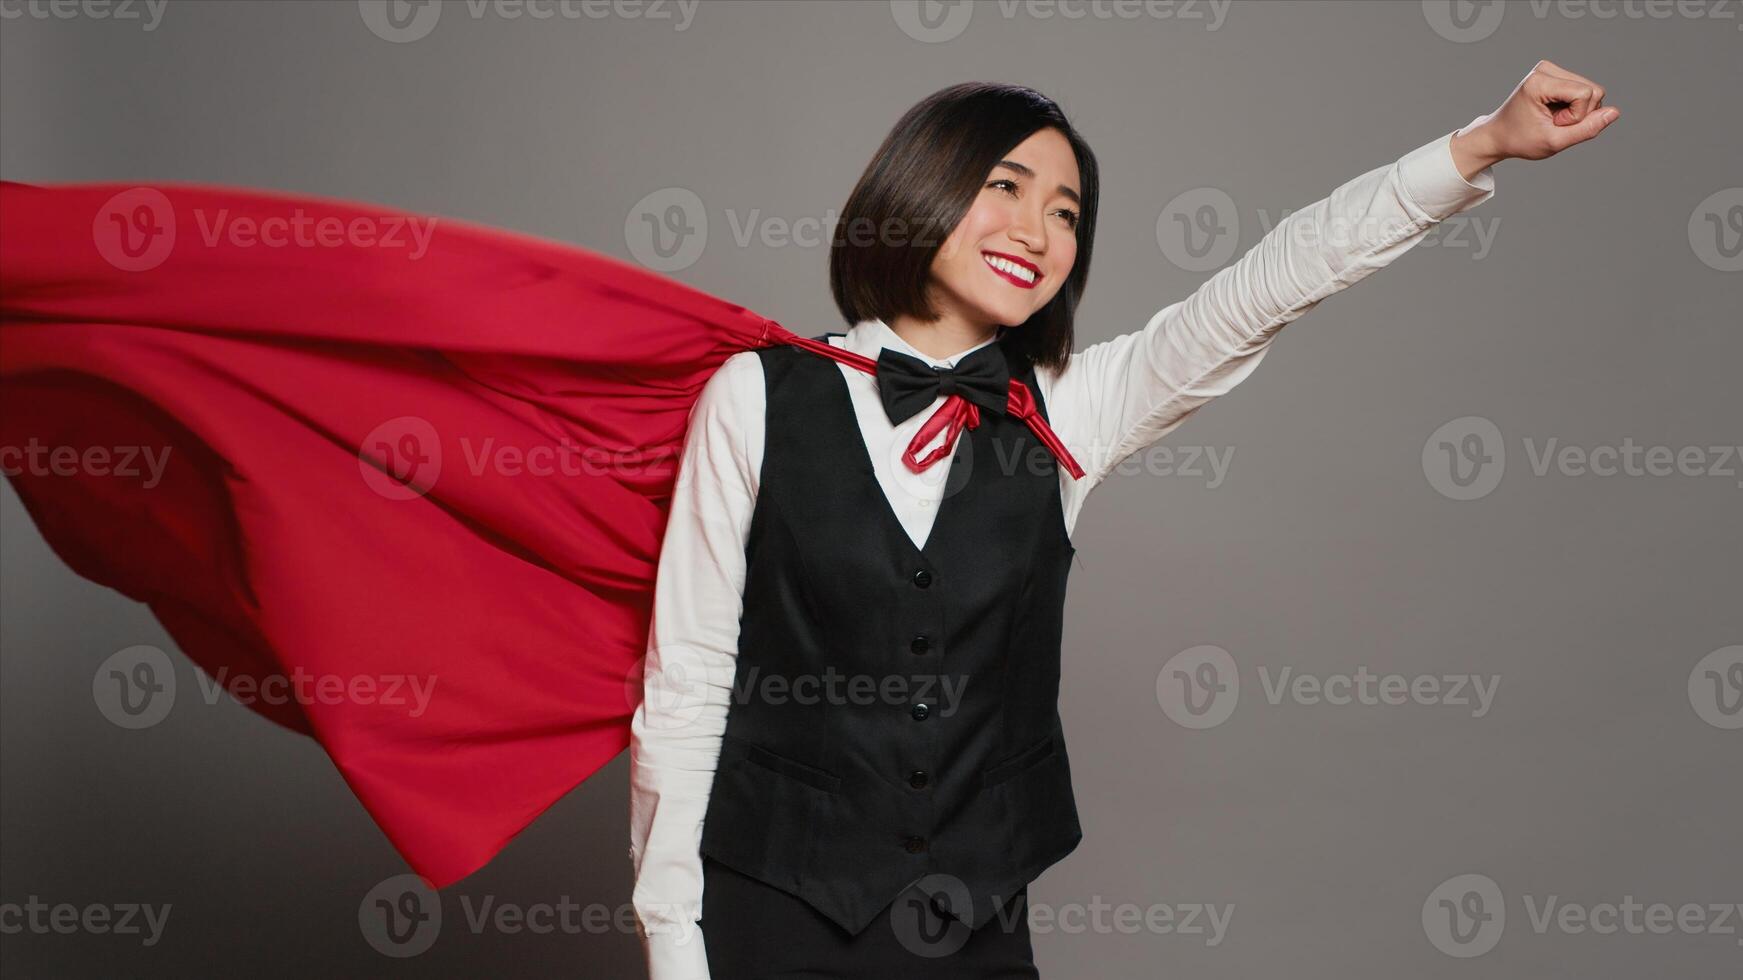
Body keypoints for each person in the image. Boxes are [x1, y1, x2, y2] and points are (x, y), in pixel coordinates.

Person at [627, 67, 1618, 980]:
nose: (1038, 230)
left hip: (973, 926)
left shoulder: (1069, 407)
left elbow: (1268, 287)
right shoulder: (756, 395)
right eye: (1006, 187)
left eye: (1067, 213)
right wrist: (675, 943)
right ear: (918, 185)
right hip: (770, 913)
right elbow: (687, 684)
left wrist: (1480, 145)